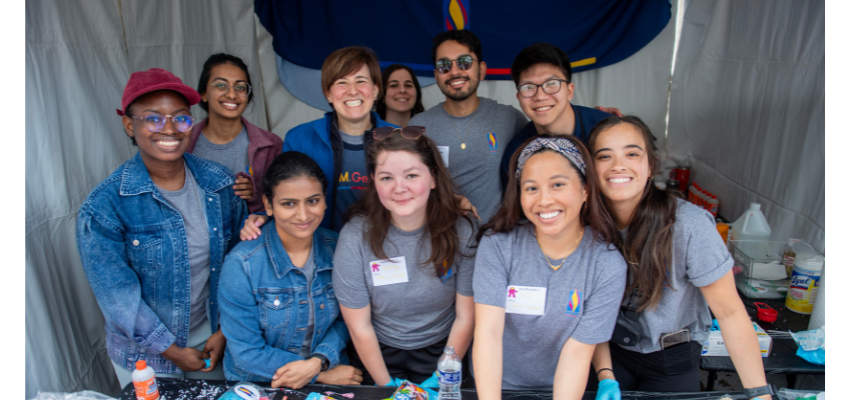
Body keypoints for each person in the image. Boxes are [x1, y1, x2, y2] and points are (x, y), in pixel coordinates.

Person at [76, 68, 248, 387]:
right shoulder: (105, 206)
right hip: (146, 353)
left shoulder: (220, 184)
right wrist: (171, 350)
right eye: (154, 119)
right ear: (129, 124)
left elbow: (242, 263)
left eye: (181, 118)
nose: (169, 128)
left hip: (213, 336)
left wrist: (226, 330)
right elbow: (118, 298)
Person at [587, 116, 772, 400]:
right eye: (604, 156)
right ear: (591, 168)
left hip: (671, 359)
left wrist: (759, 394)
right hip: (609, 355)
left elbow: (730, 312)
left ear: (650, 166)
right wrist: (604, 374)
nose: (618, 165)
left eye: (632, 154)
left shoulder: (689, 225)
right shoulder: (586, 226)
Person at [472, 134, 626, 400]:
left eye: (557, 184)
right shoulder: (498, 245)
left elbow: (577, 352)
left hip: (564, 388)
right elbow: (488, 331)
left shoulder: (607, 264)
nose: (544, 201)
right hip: (496, 386)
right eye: (531, 188)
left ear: (586, 190)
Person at [410, 31, 620, 222]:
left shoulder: (509, 119)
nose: (540, 96)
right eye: (444, 65)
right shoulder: (418, 127)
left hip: (605, 236)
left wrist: (603, 121)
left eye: (464, 62)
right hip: (446, 239)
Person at [332, 128, 477, 386]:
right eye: (386, 178)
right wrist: (385, 385)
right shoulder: (355, 236)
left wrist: (441, 376)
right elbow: (359, 326)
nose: (399, 188)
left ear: (433, 178)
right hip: (376, 353)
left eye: (411, 175)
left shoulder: (462, 232)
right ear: (374, 180)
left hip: (444, 351)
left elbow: (466, 317)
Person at [218, 152, 363, 388]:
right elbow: (247, 352)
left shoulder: (340, 249)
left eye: (313, 201)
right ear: (268, 204)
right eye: (289, 204)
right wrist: (318, 374)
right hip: (261, 382)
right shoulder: (242, 264)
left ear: (325, 200)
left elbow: (349, 318)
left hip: (328, 368)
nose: (303, 214)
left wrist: (320, 360)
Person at [240, 46, 396, 236]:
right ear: (328, 93)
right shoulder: (299, 139)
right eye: (342, 82)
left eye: (360, 81)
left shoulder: (399, 138)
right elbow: (283, 192)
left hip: (383, 251)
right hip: (320, 253)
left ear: (376, 89)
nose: (352, 91)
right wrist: (264, 215)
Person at [500, 43, 614, 188]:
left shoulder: (608, 130)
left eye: (551, 84)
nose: (540, 96)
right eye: (528, 87)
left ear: (569, 91)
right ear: (518, 97)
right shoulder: (515, 155)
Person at [188, 53, 283, 214]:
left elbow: (283, 202)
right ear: (203, 93)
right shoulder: (184, 143)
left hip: (252, 237)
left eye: (240, 87)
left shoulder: (271, 145)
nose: (232, 94)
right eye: (220, 85)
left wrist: (256, 195)